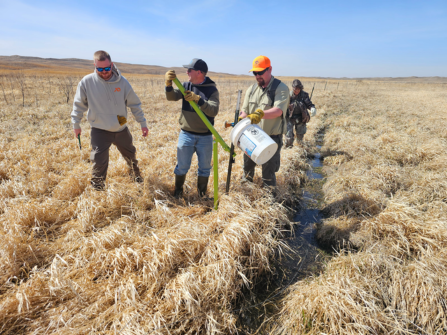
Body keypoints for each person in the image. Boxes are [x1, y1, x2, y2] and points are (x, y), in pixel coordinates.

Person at [71, 50, 148, 190]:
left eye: (107, 68)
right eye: (99, 69)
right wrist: (76, 124)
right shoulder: (86, 82)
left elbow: (134, 104)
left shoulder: (122, 82)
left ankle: (137, 179)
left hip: (121, 127)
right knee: (98, 162)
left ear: (112, 65)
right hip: (99, 129)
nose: (104, 72)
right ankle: (98, 190)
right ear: (94, 65)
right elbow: (78, 105)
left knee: (131, 156)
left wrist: (142, 123)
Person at [164, 58, 219, 198]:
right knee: (182, 166)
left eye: (190, 70)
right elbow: (171, 97)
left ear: (199, 72)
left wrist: (198, 100)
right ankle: (178, 192)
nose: (187, 72)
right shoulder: (185, 85)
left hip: (205, 136)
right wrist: (168, 84)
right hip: (186, 134)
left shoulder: (212, 89)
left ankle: (201, 194)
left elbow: (213, 111)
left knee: (205, 168)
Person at [239, 55, 290, 190]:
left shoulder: (281, 88)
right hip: (251, 136)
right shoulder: (251, 89)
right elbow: (245, 111)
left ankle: (270, 200)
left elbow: (278, 110)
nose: (257, 76)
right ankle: (246, 193)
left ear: (270, 69)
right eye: (255, 73)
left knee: (268, 173)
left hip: (270, 138)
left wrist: (260, 114)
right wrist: (240, 119)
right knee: (247, 169)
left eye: (260, 72)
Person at [285, 79, 317, 147]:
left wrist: (312, 108)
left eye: (298, 89)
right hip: (290, 118)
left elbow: (309, 104)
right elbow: (283, 105)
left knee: (300, 135)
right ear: (292, 88)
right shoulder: (288, 95)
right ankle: (288, 148)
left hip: (301, 118)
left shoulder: (304, 95)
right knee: (288, 135)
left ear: (301, 88)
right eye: (295, 89)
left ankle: (299, 148)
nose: (296, 91)